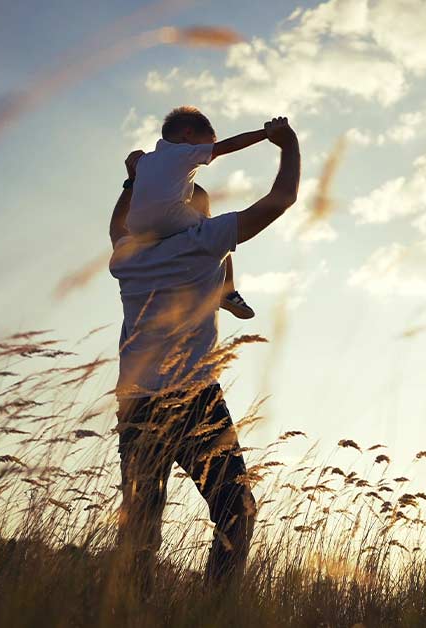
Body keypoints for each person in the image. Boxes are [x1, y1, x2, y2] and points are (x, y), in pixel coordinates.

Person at [107, 116, 300, 595]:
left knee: (138, 533)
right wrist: (288, 144)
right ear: (193, 213)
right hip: (194, 399)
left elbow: (119, 221)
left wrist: (135, 178)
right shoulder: (203, 241)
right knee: (237, 514)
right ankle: (211, 611)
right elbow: (282, 199)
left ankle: (130, 614)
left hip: (135, 405)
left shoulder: (124, 255)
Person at [120, 105, 268, 319]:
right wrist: (267, 133)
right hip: (168, 217)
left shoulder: (144, 160)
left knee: (185, 226)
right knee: (216, 229)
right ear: (188, 134)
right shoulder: (184, 152)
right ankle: (227, 292)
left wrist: (130, 177)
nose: (209, 151)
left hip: (135, 228)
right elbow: (232, 144)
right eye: (209, 144)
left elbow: (141, 188)